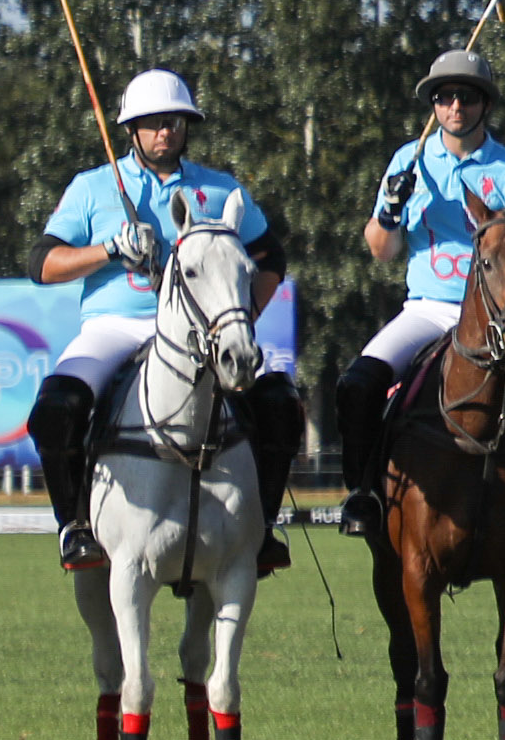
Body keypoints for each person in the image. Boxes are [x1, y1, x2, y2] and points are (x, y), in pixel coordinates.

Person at [27, 69, 303, 574]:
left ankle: (261, 529)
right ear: (131, 130)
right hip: (116, 325)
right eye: (152, 123)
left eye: (174, 121)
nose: (165, 132)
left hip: (201, 335)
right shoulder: (93, 187)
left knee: (281, 403)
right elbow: (43, 265)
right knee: (55, 407)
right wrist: (108, 250)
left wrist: (238, 320)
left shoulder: (218, 189)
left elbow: (270, 258)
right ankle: (75, 527)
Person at [330, 50, 505, 547]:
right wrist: (389, 207)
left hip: (495, 315)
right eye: (444, 97)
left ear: (484, 105)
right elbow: (381, 251)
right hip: (428, 309)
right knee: (357, 385)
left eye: (466, 97)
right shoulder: (408, 162)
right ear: (433, 105)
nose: (455, 106)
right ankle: (362, 491)